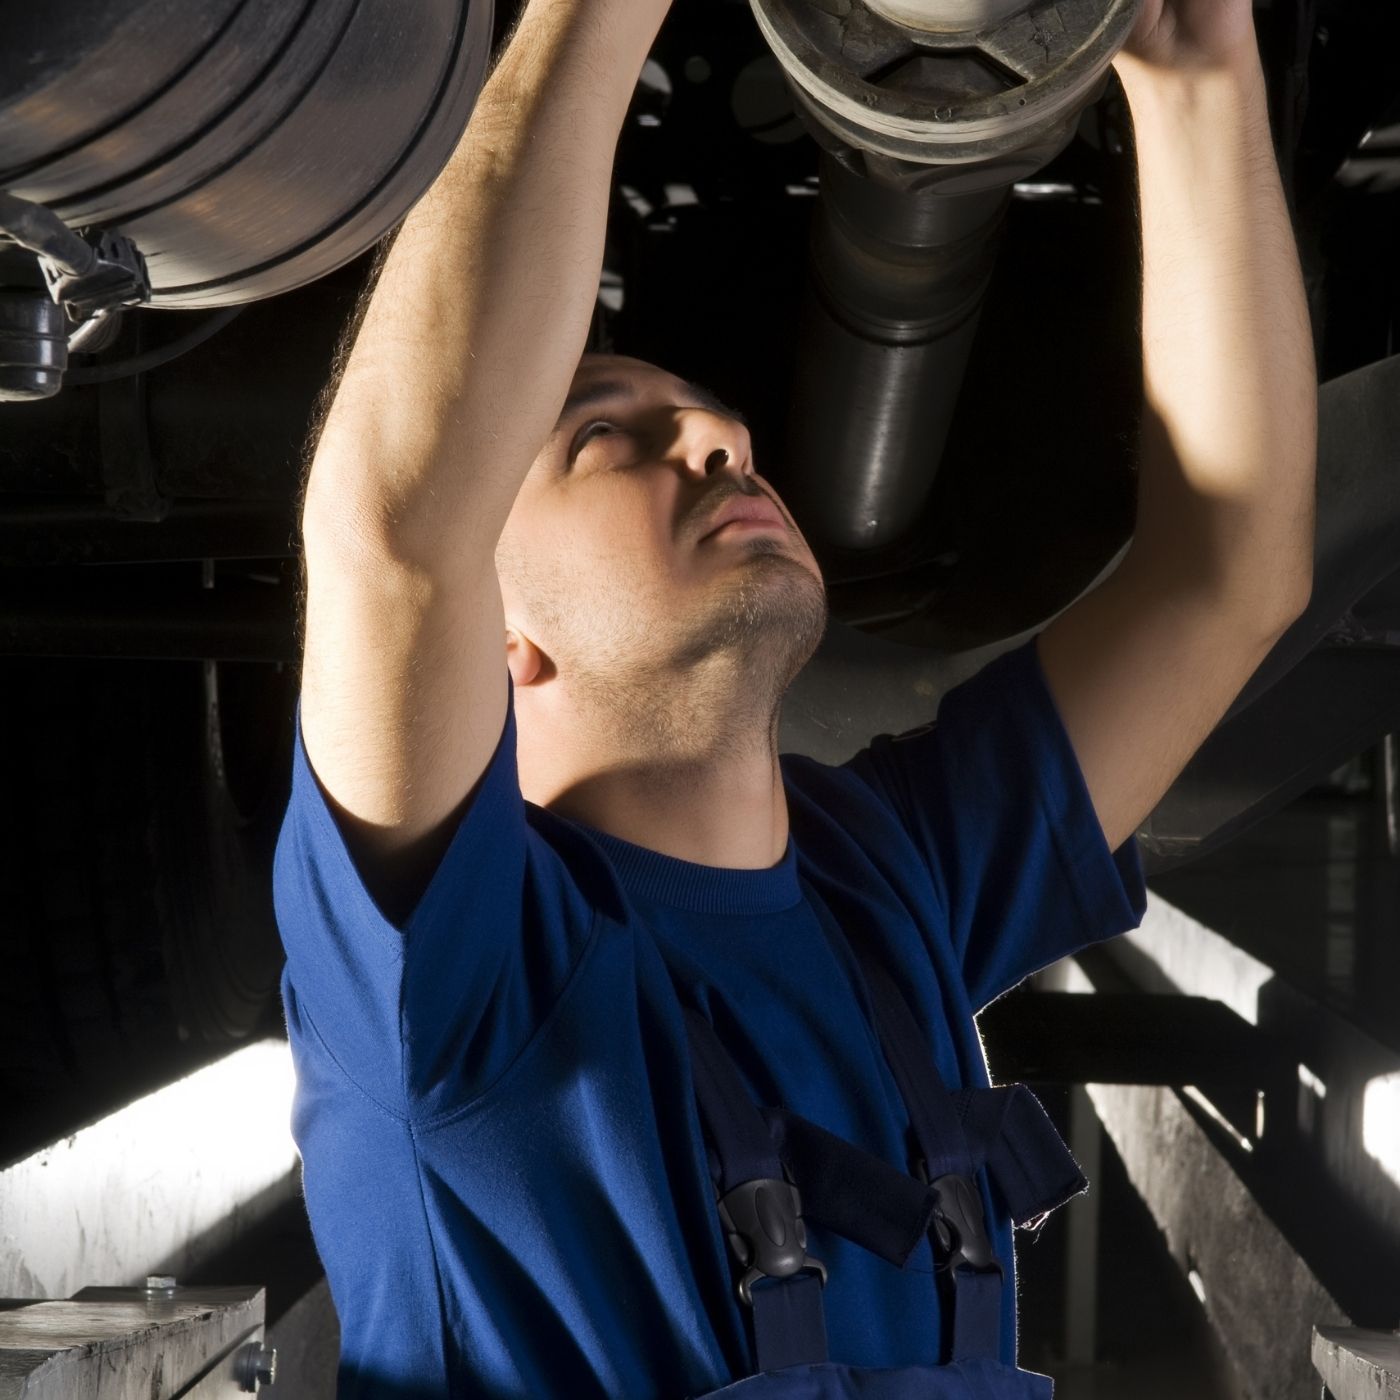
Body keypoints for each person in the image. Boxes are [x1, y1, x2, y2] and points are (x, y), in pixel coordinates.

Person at [273, 0, 1317, 1391]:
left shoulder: (880, 883)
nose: (717, 433)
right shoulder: (454, 976)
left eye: (710, 419)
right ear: (494, 630)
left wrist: (1200, 76)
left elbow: (1228, 575)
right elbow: (393, 529)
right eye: (604, 436)